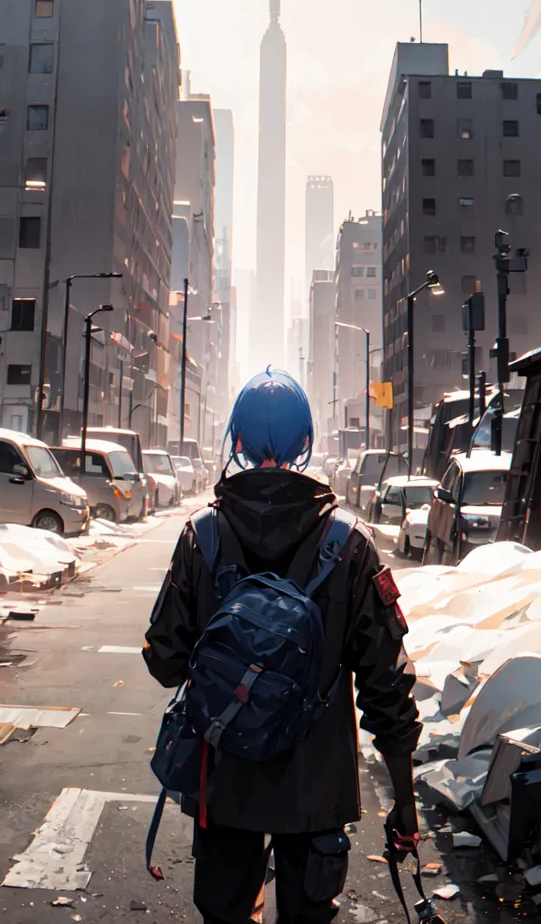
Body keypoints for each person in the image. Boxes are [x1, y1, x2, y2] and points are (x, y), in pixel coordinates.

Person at [143, 368, 422, 924]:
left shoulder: (202, 536)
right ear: (305, 443)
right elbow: (386, 684)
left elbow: (166, 661)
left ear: (237, 442)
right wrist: (404, 802)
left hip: (224, 782)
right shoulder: (349, 543)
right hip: (316, 788)